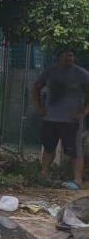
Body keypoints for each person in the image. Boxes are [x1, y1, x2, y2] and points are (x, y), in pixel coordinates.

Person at [32, 49, 89, 190]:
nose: (69, 58)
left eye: (71, 55)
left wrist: (84, 111)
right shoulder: (50, 72)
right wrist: (38, 107)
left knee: (75, 150)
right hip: (50, 118)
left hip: (72, 120)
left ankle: (77, 180)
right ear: (58, 57)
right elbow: (36, 87)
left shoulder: (81, 73)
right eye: (65, 55)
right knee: (49, 147)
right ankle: (44, 175)